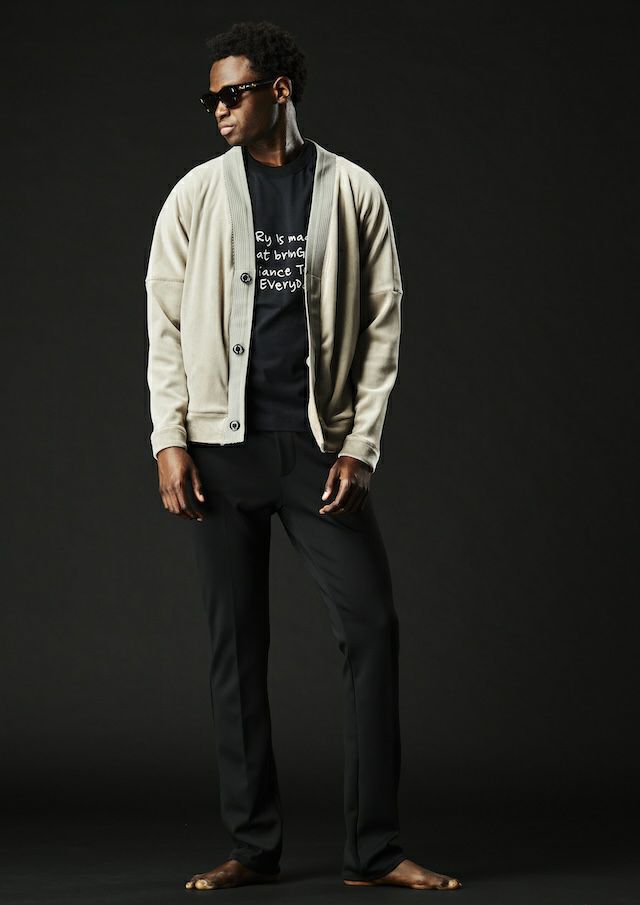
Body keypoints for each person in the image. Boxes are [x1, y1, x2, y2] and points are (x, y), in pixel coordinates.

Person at [145, 19, 462, 893]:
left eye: (233, 93)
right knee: (236, 647)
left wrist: (361, 446)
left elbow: (384, 326)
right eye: (211, 97)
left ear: (279, 90)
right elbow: (163, 323)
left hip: (317, 453)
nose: (218, 109)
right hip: (221, 452)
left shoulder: (354, 191)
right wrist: (169, 437)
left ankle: (375, 849)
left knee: (372, 628)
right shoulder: (195, 195)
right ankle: (253, 845)